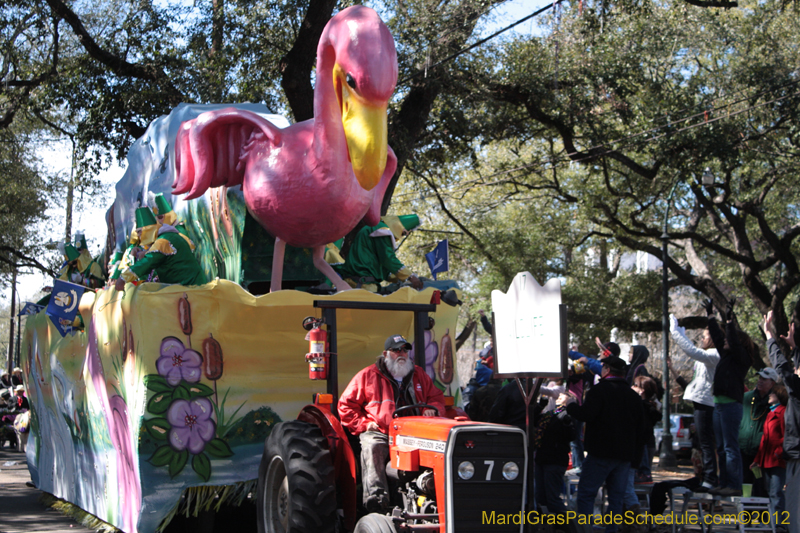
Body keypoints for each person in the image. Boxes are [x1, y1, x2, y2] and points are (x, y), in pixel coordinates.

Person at [338, 335, 445, 512]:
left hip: (414, 431)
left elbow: (436, 396)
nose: (401, 354)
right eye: (396, 350)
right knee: (372, 446)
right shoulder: (368, 375)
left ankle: (431, 494)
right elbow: (345, 405)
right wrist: (364, 424)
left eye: (404, 350)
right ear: (385, 353)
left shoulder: (418, 374)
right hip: (381, 430)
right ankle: (377, 501)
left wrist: (432, 408)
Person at [564, 355, 645, 532]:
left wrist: (570, 405)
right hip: (624, 456)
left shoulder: (599, 391)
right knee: (616, 498)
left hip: (600, 453)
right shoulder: (634, 397)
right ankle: (612, 530)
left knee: (586, 494)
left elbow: (586, 414)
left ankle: (585, 529)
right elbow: (642, 430)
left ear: (607, 370)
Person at [669, 314, 719, 491]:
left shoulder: (714, 354)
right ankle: (708, 477)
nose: (701, 339)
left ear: (713, 339)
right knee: (704, 442)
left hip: (707, 403)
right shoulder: (709, 354)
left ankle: (711, 478)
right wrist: (681, 335)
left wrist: (675, 334)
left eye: (704, 337)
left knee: (706, 443)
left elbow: (692, 351)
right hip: (701, 401)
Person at [763, 310, 800, 533]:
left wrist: (769, 336)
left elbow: (784, 369)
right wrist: (795, 347)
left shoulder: (796, 389)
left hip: (798, 458)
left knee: (795, 515)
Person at [115, 207, 207, 290]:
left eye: (139, 232)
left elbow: (149, 261)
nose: (138, 236)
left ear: (147, 229)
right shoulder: (168, 236)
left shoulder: (163, 240)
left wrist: (123, 278)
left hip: (190, 288)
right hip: (189, 286)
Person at [335, 215, 423, 292]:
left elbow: (383, 269)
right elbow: (388, 259)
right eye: (403, 233)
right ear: (399, 226)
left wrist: (401, 279)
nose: (400, 237)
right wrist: (410, 276)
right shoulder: (382, 230)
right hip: (364, 286)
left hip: (354, 282)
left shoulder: (371, 229)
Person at [739, 367, 779, 497]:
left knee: (761, 485)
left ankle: (763, 515)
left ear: (772, 383)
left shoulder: (775, 402)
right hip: (744, 449)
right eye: (759, 378)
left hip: (763, 452)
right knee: (746, 483)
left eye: (764, 379)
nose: (760, 381)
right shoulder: (746, 397)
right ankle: (746, 514)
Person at [752, 382, 788, 525]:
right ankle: (770, 522)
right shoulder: (770, 413)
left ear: (779, 395)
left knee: (776, 493)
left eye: (772, 393)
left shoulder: (784, 412)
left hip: (777, 461)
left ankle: (779, 523)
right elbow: (764, 440)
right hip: (766, 460)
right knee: (768, 491)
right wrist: (757, 460)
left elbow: (787, 436)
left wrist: (779, 453)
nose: (769, 395)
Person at [632, 376, 662, 483]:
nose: (632, 387)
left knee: (641, 478)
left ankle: (644, 473)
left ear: (642, 391)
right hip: (649, 444)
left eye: (635, 385)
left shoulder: (644, 407)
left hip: (645, 444)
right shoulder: (650, 407)